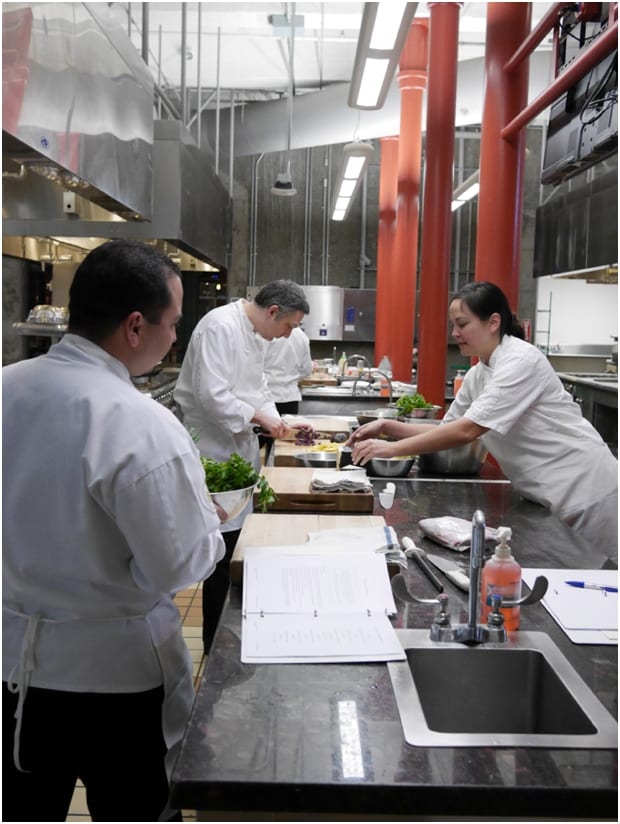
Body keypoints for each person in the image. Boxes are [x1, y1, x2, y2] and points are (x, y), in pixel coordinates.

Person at [2, 239, 225, 823]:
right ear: (134, 326)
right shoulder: (137, 421)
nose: (174, 337)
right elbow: (177, 565)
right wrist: (208, 522)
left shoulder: (6, 388)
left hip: (15, 672)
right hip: (116, 684)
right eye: (172, 323)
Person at [349, 281, 618, 563]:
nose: (455, 334)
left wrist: (390, 449)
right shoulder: (479, 372)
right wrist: (388, 427)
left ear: (493, 322)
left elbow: (468, 431)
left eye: (462, 324)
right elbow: (447, 430)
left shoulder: (520, 360)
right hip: (549, 494)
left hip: (586, 489)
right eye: (453, 325)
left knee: (598, 584)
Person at [174, 280, 311, 652]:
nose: (287, 336)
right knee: (216, 554)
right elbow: (211, 396)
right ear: (272, 312)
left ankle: (229, 636)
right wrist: (261, 419)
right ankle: (212, 645)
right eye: (289, 326)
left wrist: (278, 420)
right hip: (213, 453)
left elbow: (259, 389)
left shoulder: (255, 336)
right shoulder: (220, 326)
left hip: (238, 448)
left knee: (236, 546)